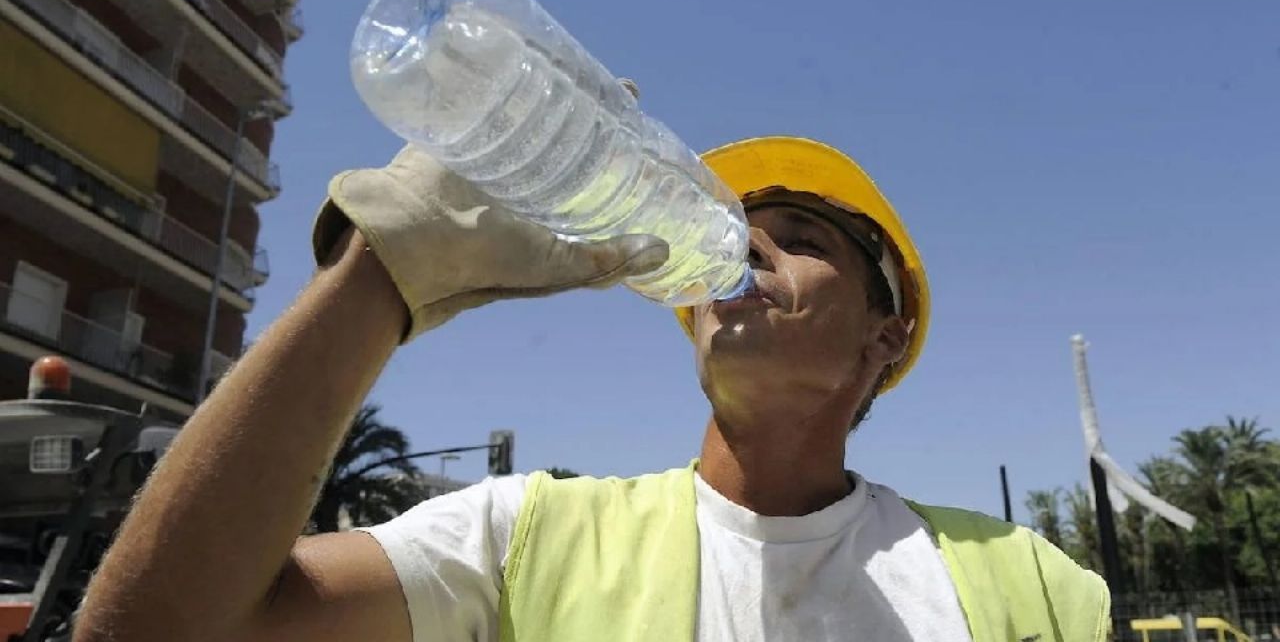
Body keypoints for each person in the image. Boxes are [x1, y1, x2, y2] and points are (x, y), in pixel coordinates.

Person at [75, 135, 1109, 642]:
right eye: (738, 229)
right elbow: (154, 629)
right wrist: (378, 279)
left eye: (801, 239)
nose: (747, 247)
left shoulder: (1023, 584)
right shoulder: (521, 538)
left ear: (884, 338)